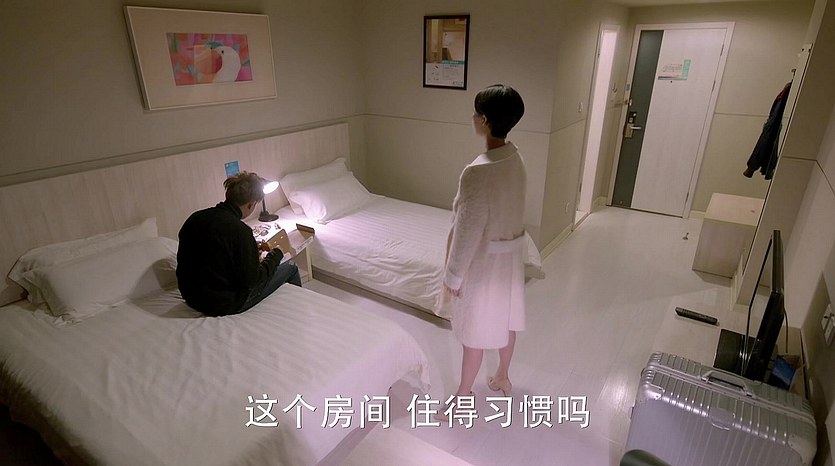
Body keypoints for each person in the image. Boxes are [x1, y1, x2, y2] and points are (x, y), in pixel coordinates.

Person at [442, 84, 527, 403]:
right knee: (507, 321)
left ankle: (462, 397)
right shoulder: (516, 158)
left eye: (476, 113)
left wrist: (453, 277)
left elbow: (466, 232)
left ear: (485, 120)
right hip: (509, 258)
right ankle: (503, 376)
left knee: (473, 335)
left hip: (483, 266)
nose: (473, 118)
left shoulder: (477, 172)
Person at [177, 172, 301, 317]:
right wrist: (276, 254)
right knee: (291, 267)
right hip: (223, 303)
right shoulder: (240, 231)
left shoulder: (195, 218)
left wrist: (249, 248)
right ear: (251, 205)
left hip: (191, 296)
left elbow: (213, 253)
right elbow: (252, 281)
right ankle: (297, 314)